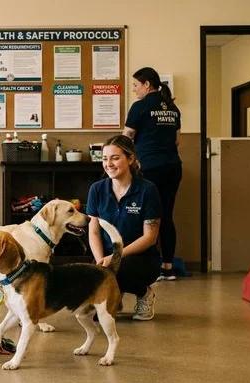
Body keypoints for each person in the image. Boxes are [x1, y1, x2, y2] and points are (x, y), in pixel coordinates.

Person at [87, 135, 162, 321]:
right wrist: (99, 263)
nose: (108, 164)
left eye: (115, 158)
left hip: (140, 259)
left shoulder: (147, 190)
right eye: (105, 159)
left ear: (130, 159)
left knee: (121, 266)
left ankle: (144, 293)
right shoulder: (96, 189)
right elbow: (94, 231)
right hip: (106, 256)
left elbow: (150, 237)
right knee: (87, 287)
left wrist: (115, 257)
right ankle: (114, 296)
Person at [123, 67, 182, 281]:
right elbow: (177, 141)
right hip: (173, 167)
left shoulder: (139, 107)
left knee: (146, 216)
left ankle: (148, 266)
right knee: (167, 215)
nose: (134, 90)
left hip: (149, 167)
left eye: (136, 85)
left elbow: (126, 138)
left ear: (147, 84)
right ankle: (168, 267)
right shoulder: (173, 108)